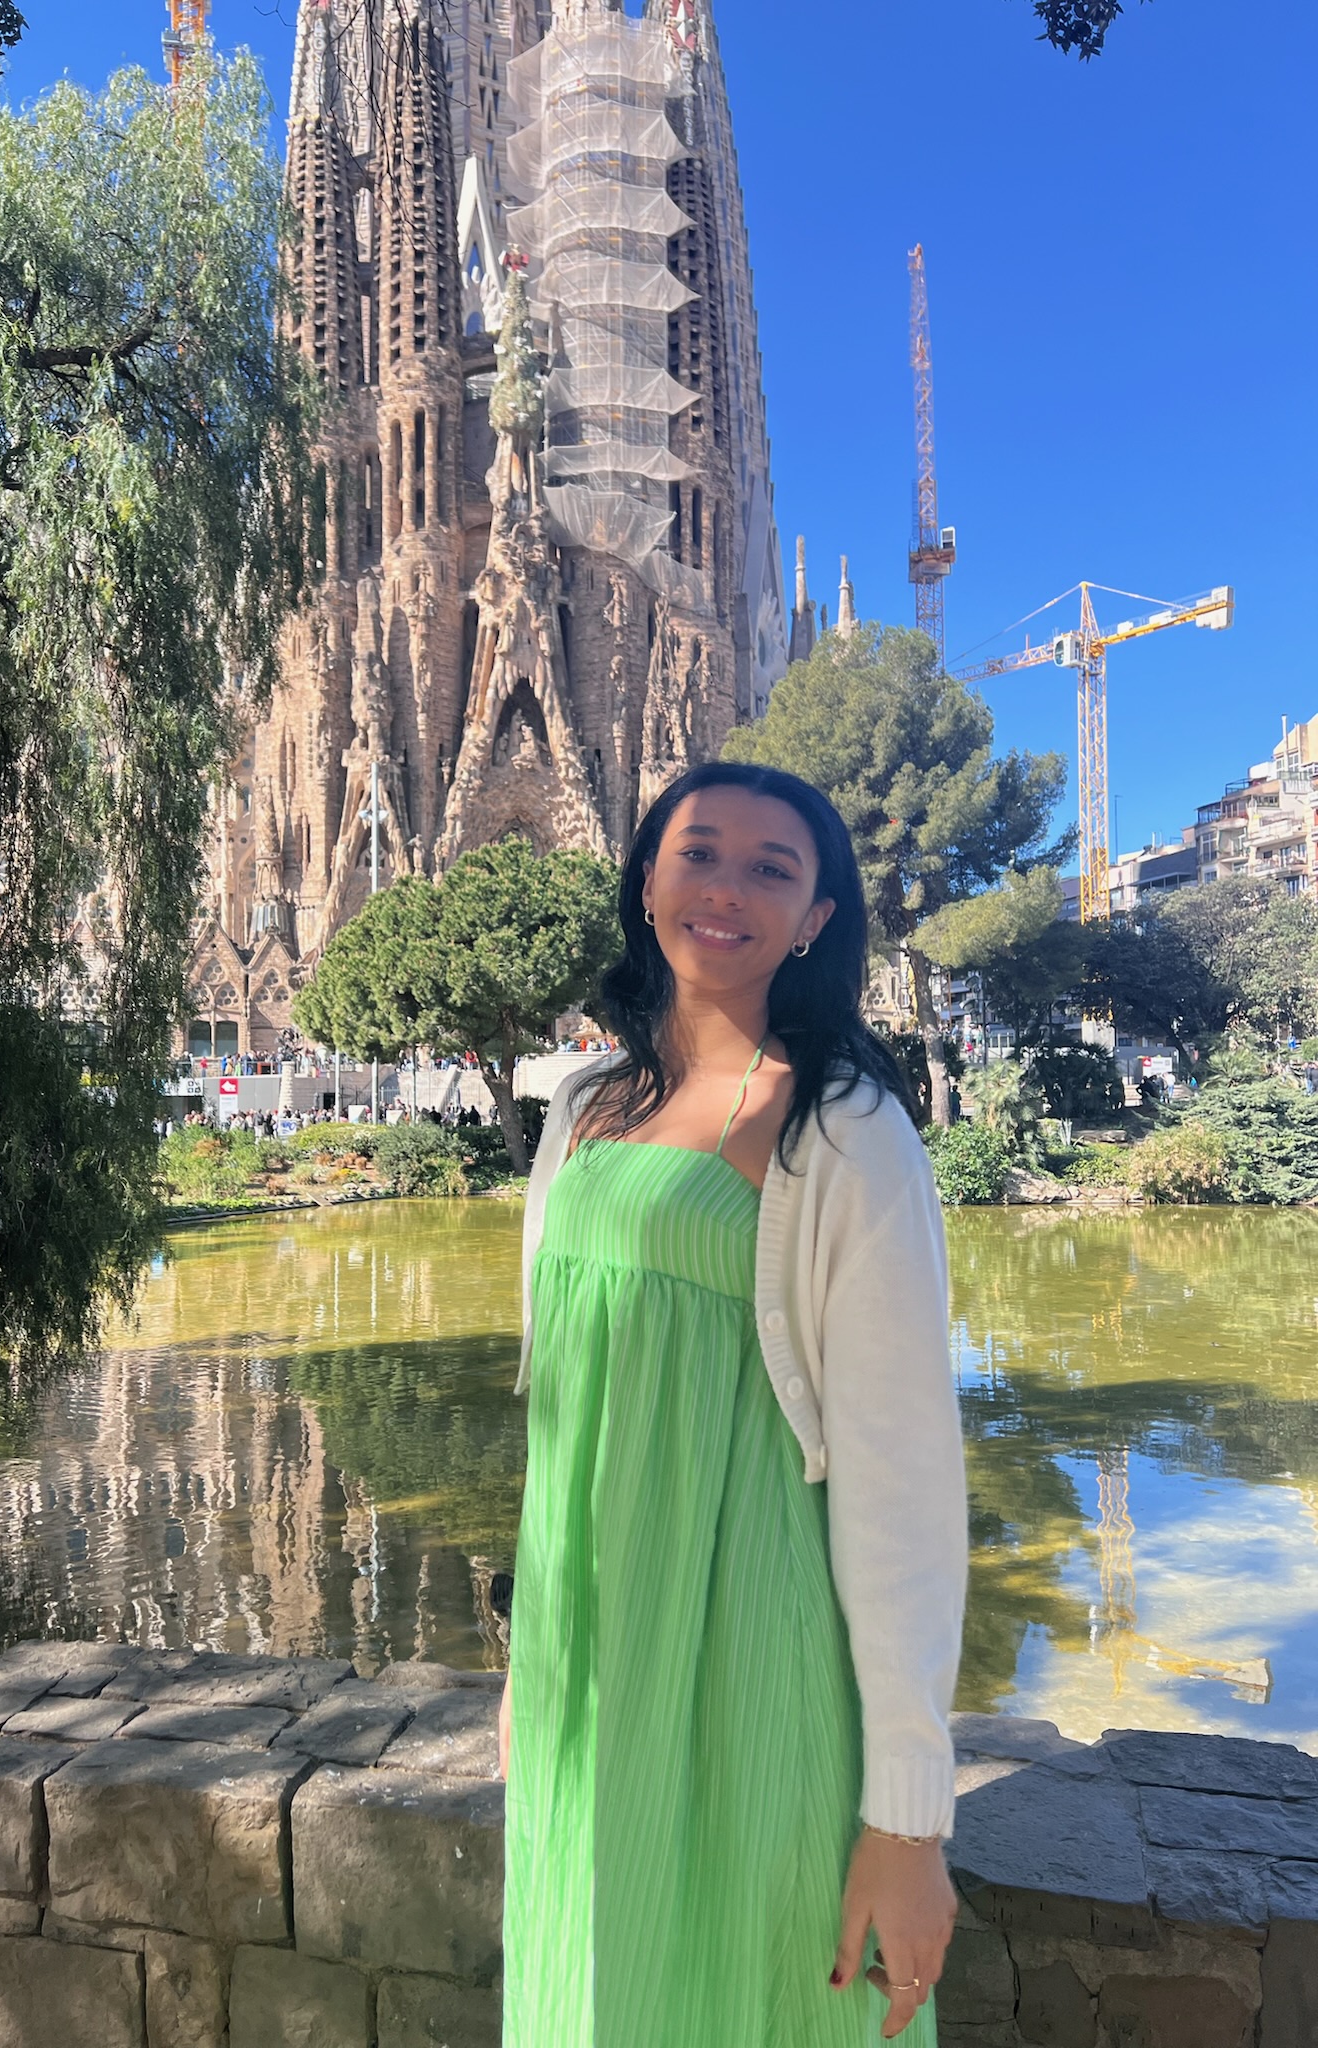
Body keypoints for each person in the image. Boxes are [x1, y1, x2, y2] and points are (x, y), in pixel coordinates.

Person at [500, 760, 966, 2048]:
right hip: (589, 1650)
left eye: (775, 869)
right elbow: (563, 1400)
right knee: (595, 1971)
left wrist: (906, 1820)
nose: (727, 890)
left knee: (753, 1981)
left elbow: (904, 1475)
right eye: (699, 852)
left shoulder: (844, 1127)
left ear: (817, 917)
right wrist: (532, 1657)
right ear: (646, 875)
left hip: (751, 1633)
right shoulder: (586, 1107)